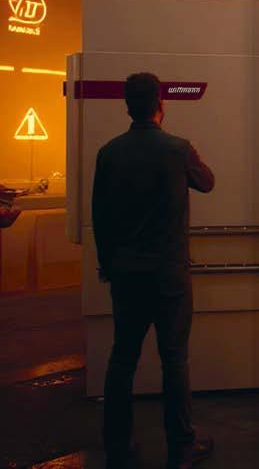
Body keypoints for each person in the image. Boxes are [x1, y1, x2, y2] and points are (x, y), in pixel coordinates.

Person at [92, 73, 216, 469]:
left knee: (122, 358)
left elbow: (99, 217)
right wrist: (191, 154)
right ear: (160, 103)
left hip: (126, 272)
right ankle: (181, 446)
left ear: (127, 106)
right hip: (168, 274)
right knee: (174, 359)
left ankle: (116, 446)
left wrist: (108, 264)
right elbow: (208, 183)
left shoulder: (109, 153)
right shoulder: (178, 149)